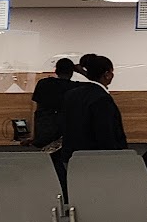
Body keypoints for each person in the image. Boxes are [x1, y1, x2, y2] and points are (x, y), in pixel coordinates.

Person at [53, 54, 126, 186]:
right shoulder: (102, 98)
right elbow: (106, 134)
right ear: (107, 74)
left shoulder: (71, 94)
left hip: (71, 158)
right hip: (97, 161)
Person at [28, 57, 74, 149]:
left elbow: (36, 110)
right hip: (67, 133)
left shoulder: (43, 83)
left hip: (45, 132)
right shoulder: (75, 87)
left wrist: (34, 136)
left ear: (56, 71)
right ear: (72, 72)